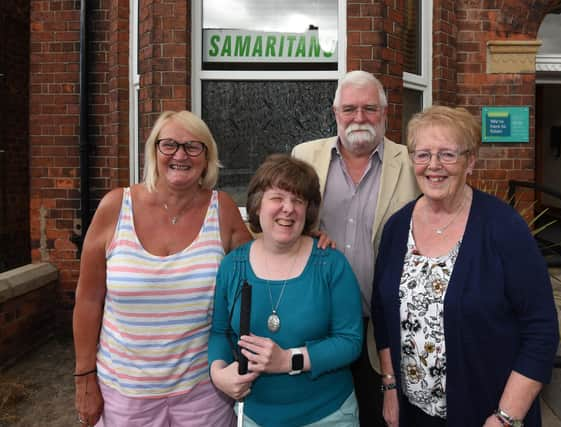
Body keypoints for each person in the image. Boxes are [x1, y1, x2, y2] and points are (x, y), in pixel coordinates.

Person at [371, 105, 559, 426]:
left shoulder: (503, 228)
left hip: (487, 412)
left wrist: (504, 417)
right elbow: (382, 314)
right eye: (422, 154)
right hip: (414, 413)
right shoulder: (397, 227)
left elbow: (541, 331)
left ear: (470, 161)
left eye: (447, 154)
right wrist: (390, 386)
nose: (433, 166)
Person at [73, 110, 252, 426]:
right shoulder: (116, 207)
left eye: (192, 147)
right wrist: (84, 376)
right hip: (124, 395)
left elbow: (262, 264)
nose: (180, 155)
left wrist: (305, 238)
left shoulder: (222, 210)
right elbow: (88, 300)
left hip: (203, 394)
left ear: (206, 157)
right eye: (169, 145)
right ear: (153, 151)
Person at [292, 70, 420, 426]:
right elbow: (284, 219)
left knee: (382, 414)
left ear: (385, 112)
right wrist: (306, 236)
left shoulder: (411, 163)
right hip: (321, 319)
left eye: (369, 108)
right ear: (335, 114)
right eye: (349, 109)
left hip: (387, 322)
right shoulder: (304, 156)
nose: (359, 118)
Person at [208, 154, 363, 426]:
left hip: (328, 416)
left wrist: (288, 360)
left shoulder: (331, 264)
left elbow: (349, 341)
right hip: (254, 416)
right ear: (257, 205)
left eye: (298, 200)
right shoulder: (233, 265)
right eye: (277, 197)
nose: (288, 208)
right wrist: (219, 373)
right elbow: (220, 332)